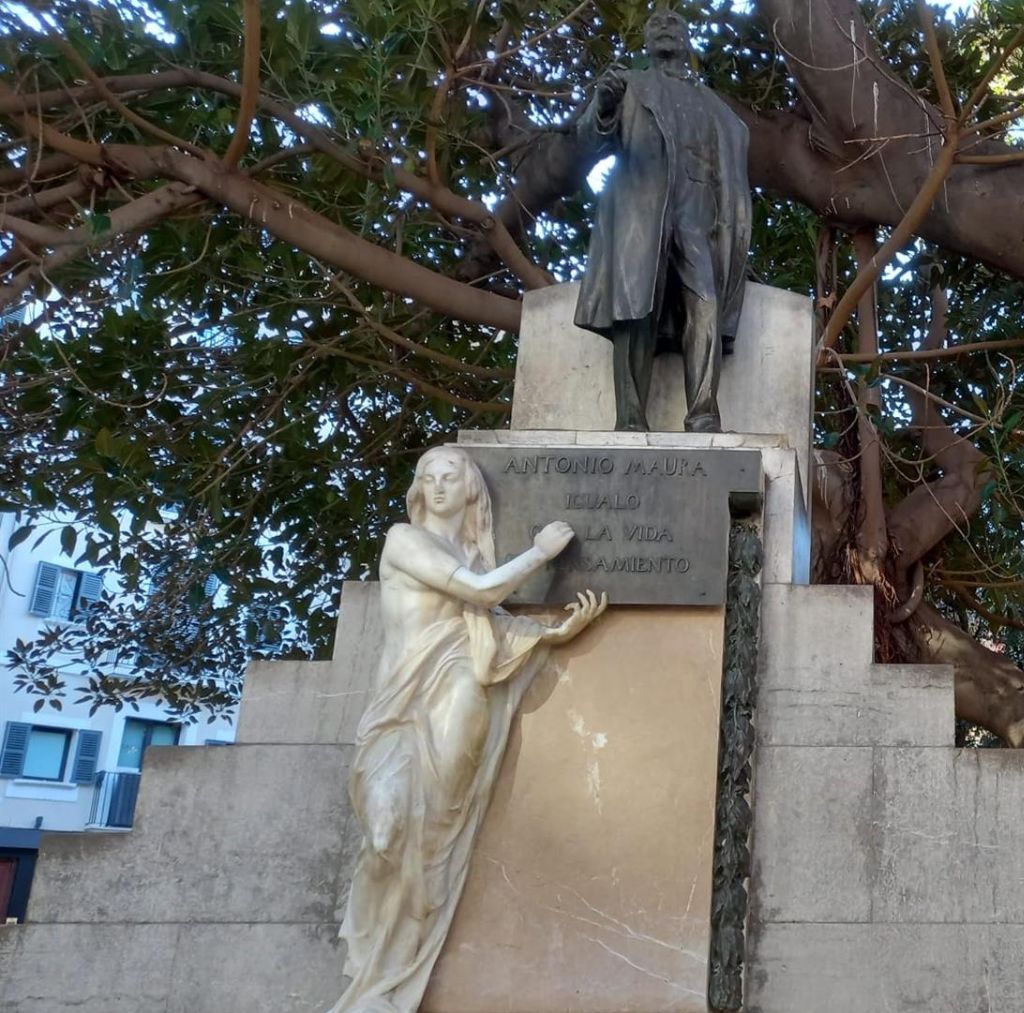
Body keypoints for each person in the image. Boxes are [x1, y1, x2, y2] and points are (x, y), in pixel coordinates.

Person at [328, 445, 606, 1013]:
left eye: (448, 476)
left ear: (471, 488)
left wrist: (550, 635)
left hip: (459, 693)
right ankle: (368, 970)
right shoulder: (404, 541)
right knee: (384, 831)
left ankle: (394, 981)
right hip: (399, 707)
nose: (435, 485)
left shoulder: (475, 555)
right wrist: (539, 553)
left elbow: (491, 622)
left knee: (434, 834)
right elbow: (480, 595)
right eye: (426, 477)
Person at [572, 8, 752, 433]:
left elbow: (729, 173)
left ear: (689, 41)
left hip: (699, 214)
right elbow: (588, 142)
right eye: (656, 24)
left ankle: (704, 415)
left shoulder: (715, 107)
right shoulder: (628, 85)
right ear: (646, 41)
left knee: (705, 305)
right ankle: (630, 419)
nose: (666, 27)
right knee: (636, 310)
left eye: (675, 24)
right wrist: (603, 103)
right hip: (642, 209)